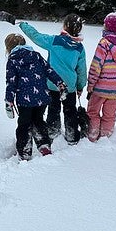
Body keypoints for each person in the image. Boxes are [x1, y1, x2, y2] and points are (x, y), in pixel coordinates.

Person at [16, 14, 87, 144]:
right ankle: (72, 136)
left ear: (65, 26)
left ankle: (53, 131)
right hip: (69, 86)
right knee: (70, 110)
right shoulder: (79, 48)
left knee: (53, 109)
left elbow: (36, 36)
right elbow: (81, 69)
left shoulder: (54, 41)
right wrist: (80, 86)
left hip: (53, 84)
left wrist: (22, 24)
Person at [4, 33, 66, 160]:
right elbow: (49, 70)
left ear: (9, 48)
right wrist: (59, 83)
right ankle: (44, 144)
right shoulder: (36, 56)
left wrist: (9, 101)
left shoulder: (13, 60)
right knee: (38, 120)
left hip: (24, 101)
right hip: (42, 98)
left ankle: (24, 150)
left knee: (24, 124)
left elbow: (11, 82)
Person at [86, 11, 116, 142]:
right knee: (109, 115)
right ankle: (106, 136)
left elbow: (96, 65)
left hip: (101, 87)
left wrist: (91, 84)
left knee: (93, 111)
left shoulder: (104, 43)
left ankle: (92, 135)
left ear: (107, 27)